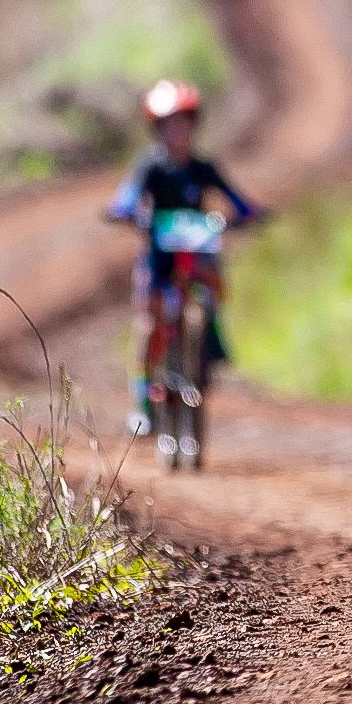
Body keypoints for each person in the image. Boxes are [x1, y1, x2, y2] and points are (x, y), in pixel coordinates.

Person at [107, 79, 258, 436]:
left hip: (197, 254)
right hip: (160, 258)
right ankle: (144, 402)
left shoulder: (202, 168)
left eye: (184, 123)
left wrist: (248, 213)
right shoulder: (150, 167)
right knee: (151, 322)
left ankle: (209, 345)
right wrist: (125, 210)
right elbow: (128, 196)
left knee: (213, 289)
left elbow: (235, 198)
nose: (178, 131)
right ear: (158, 129)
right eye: (170, 124)